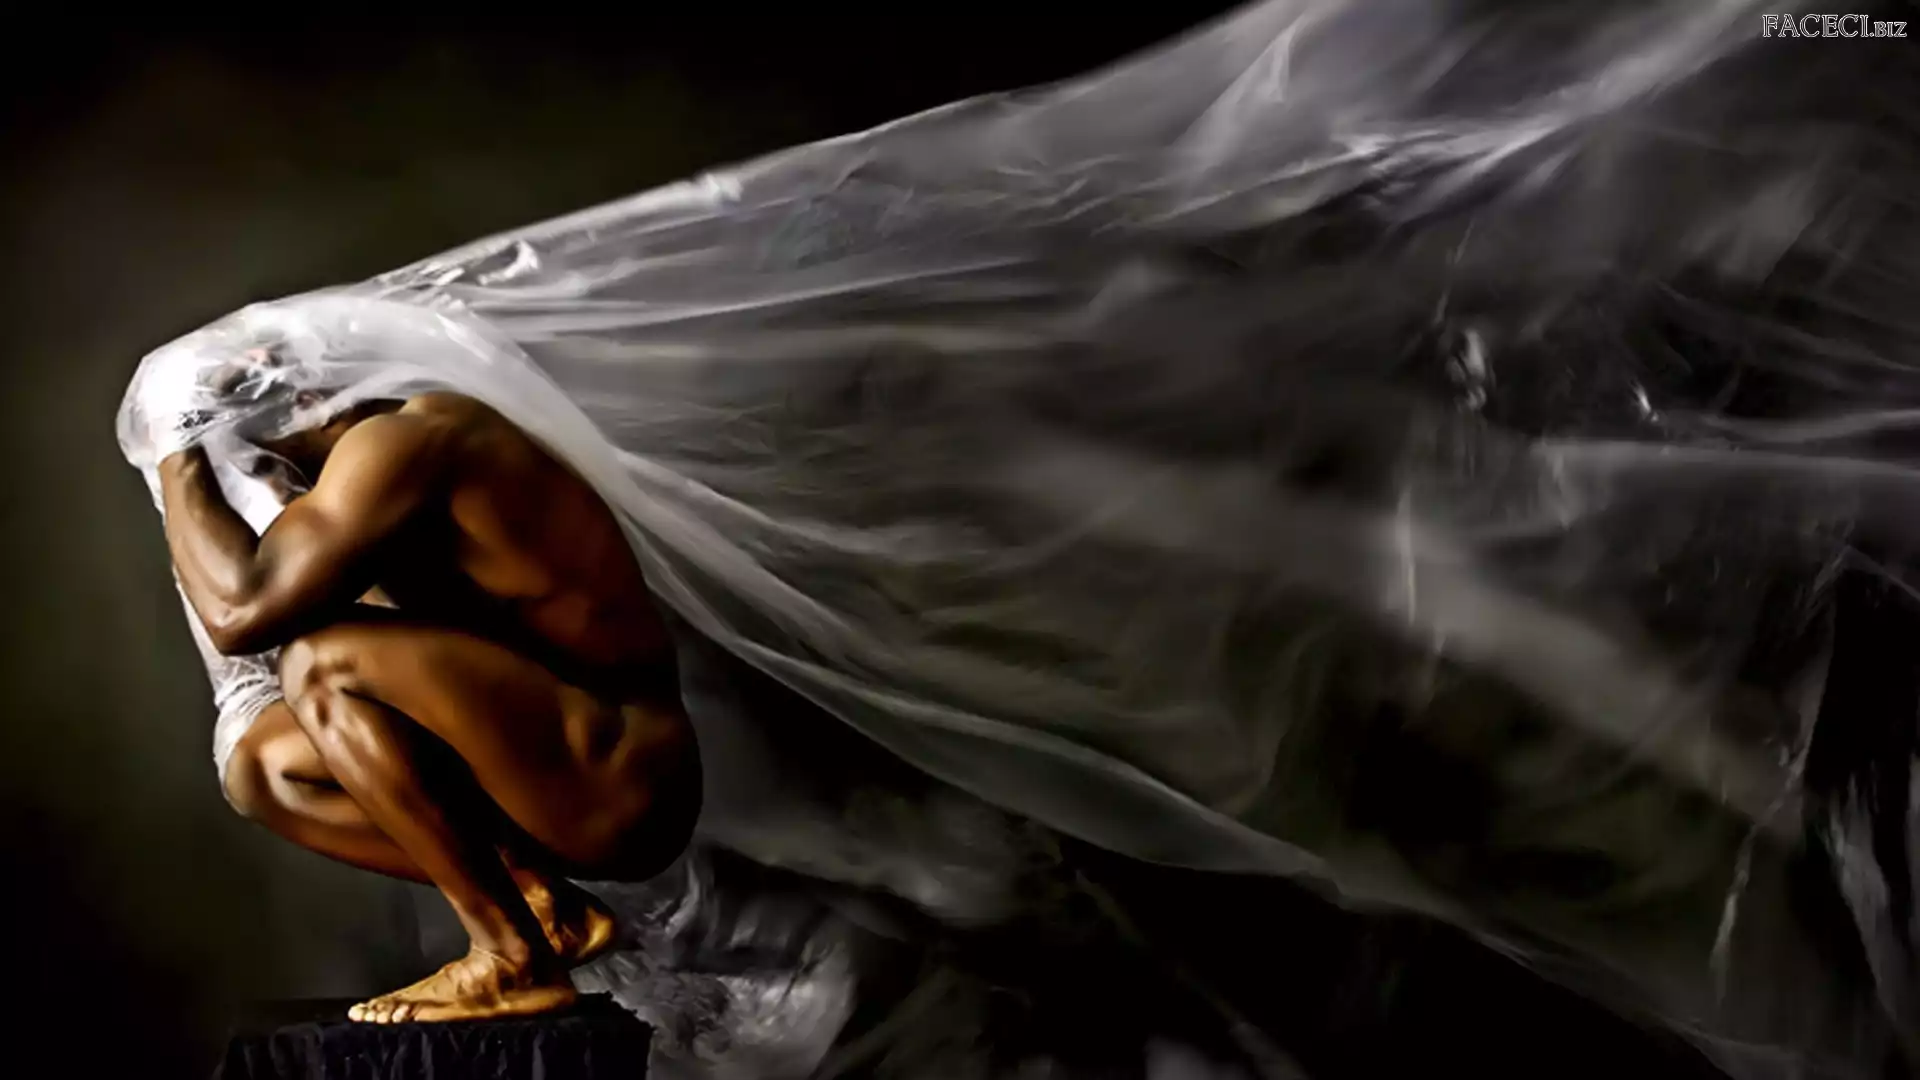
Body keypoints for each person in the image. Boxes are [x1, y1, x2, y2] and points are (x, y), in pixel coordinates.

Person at [156, 365, 702, 1024]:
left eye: (274, 461)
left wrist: (175, 447)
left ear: (309, 401)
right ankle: (538, 908)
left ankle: (511, 960)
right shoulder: (378, 482)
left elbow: (237, 613)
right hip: (545, 773)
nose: (278, 487)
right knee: (261, 767)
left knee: (322, 665)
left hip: (621, 777)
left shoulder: (408, 438)